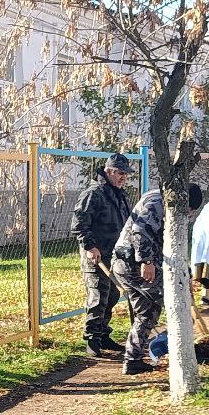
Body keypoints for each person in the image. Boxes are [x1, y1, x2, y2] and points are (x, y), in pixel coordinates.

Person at [112, 183, 203, 375]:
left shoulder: (166, 200)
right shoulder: (158, 202)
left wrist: (184, 272)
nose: (189, 214)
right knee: (177, 302)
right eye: (189, 209)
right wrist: (146, 261)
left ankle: (132, 360)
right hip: (134, 265)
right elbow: (140, 231)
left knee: (147, 313)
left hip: (131, 264)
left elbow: (167, 242)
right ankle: (173, 351)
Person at [72, 152, 133, 358]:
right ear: (109, 171)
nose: (124, 178)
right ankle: (92, 339)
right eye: (120, 173)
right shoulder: (94, 193)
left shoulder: (118, 194)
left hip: (113, 255)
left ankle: (103, 334)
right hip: (96, 255)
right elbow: (79, 224)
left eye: (126, 174)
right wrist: (90, 246)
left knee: (113, 295)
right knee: (98, 296)